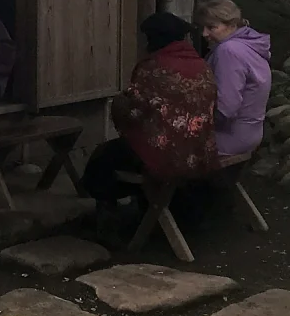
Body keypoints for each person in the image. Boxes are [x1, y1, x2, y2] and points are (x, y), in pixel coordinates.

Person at [81, 12, 218, 233]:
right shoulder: (202, 66)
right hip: (201, 151)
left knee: (104, 158)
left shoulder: (153, 68)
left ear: (154, 39)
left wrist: (120, 105)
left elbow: (134, 113)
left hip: (167, 156)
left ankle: (109, 225)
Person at [194, 0, 272, 157]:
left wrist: (198, 124)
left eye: (211, 27)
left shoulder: (229, 51)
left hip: (229, 136)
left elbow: (227, 107)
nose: (204, 33)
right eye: (203, 27)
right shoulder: (249, 44)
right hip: (251, 133)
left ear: (232, 25)